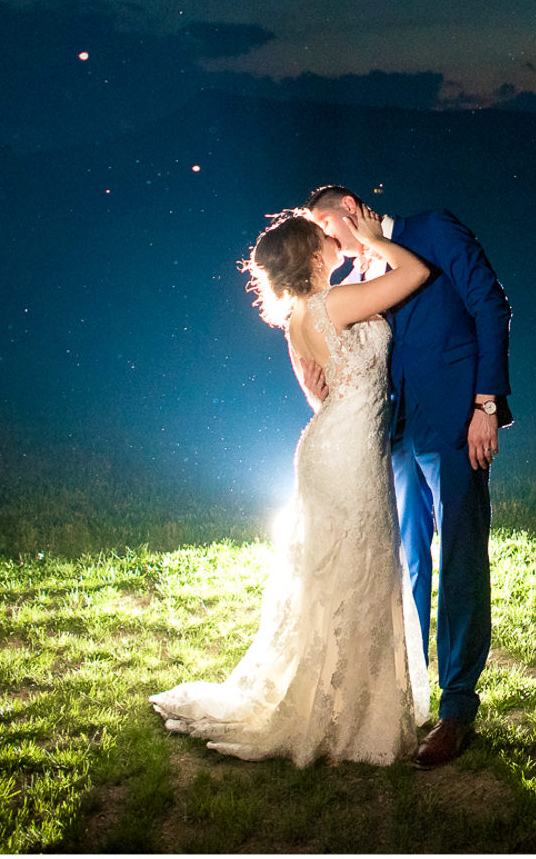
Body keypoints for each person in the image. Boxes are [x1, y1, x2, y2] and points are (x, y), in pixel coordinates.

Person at [149, 211, 435, 765]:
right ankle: (352, 715)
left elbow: (325, 389)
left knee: (344, 577)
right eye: (324, 238)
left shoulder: (306, 314)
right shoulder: (331, 306)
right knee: (362, 572)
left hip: (333, 447)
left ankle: (349, 705)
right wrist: (375, 241)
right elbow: (415, 274)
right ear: (310, 257)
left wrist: (361, 257)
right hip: (347, 455)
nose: (334, 241)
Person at [304, 185, 513, 768]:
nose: (326, 240)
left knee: (461, 558)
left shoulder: (432, 228)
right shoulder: (359, 271)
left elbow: (490, 305)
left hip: (454, 421)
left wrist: (487, 404)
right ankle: (410, 693)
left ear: (348, 208)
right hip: (394, 433)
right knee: (409, 562)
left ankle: (456, 709)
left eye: (327, 224)